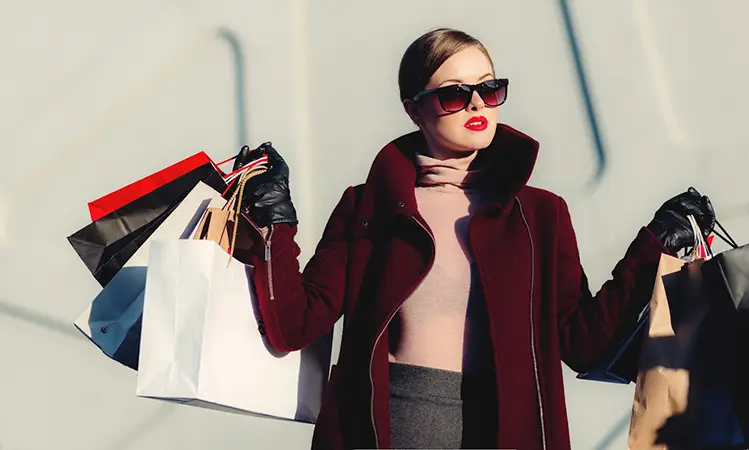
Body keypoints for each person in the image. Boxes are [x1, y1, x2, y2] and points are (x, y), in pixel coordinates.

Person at [230, 28, 716, 450]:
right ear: (413, 108)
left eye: (490, 88)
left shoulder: (540, 214)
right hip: (393, 428)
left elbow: (582, 343)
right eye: (455, 95)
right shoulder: (369, 206)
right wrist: (275, 220)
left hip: (507, 430)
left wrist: (654, 245)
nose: (479, 104)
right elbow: (294, 323)